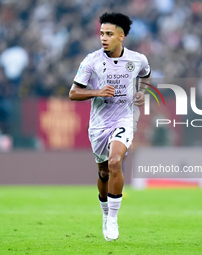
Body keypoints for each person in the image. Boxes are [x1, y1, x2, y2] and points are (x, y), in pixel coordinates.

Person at [69, 12, 151, 241]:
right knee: (103, 172)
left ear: (121, 36)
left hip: (124, 118)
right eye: (101, 34)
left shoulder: (137, 59)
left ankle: (113, 219)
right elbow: (73, 93)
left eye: (109, 34)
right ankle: (105, 214)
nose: (103, 38)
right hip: (99, 123)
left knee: (115, 162)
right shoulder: (91, 61)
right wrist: (97, 92)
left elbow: (146, 74)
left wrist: (142, 93)